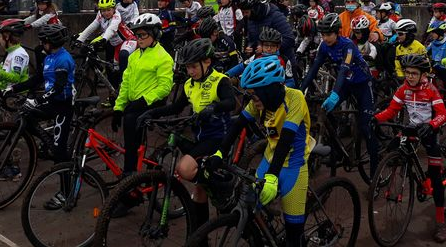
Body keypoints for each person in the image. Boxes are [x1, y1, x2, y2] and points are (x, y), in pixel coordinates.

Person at [209, 56, 311, 247]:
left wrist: (272, 176)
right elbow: (238, 125)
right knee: (249, 206)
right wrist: (219, 153)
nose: (252, 100)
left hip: (294, 164)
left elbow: (286, 140)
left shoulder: (295, 98)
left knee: (294, 235)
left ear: (269, 91)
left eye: (255, 95)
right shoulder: (260, 102)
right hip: (270, 158)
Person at [137, 38, 236, 228]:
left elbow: (230, 103)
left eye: (193, 67)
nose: (189, 71)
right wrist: (151, 112)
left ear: (207, 62)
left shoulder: (220, 80)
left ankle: (223, 187)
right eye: (187, 67)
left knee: (185, 169)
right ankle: (200, 236)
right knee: (199, 192)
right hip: (200, 137)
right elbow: (176, 107)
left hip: (218, 137)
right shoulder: (189, 84)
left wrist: (213, 108)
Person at [373, 54, 446, 243]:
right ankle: (410, 174)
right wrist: (375, 118)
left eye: (414, 73)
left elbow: (443, 114)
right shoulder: (403, 89)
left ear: (424, 74)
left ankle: (440, 223)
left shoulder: (431, 90)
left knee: (436, 178)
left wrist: (431, 125)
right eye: (407, 73)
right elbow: (391, 111)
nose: (410, 77)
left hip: (430, 131)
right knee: (393, 149)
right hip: (411, 129)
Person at [300, 13, 378, 177]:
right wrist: (300, 91)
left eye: (328, 34)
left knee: (366, 127)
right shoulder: (324, 46)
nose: (325, 38)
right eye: (323, 35)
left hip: (363, 84)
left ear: (337, 33)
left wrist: (334, 94)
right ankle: (335, 148)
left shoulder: (348, 45)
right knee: (325, 113)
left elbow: (343, 70)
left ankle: (375, 168)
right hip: (347, 85)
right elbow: (313, 71)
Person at [12, 24, 76, 187]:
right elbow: (36, 79)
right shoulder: (49, 58)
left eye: (43, 42)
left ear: (52, 42)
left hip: (63, 105)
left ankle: (66, 192)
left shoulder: (63, 59)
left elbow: (59, 87)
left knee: (60, 153)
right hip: (52, 102)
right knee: (26, 115)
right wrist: (12, 89)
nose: (41, 45)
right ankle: (48, 143)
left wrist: (38, 100)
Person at [111, 14, 174, 175]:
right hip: (134, 103)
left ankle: (130, 174)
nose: (139, 39)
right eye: (137, 35)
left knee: (131, 131)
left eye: (143, 35)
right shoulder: (134, 56)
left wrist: (144, 100)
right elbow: (125, 84)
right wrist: (118, 108)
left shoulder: (163, 58)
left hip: (151, 104)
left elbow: (165, 87)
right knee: (128, 130)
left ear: (155, 34)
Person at [239, 0, 298, 82]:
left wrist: (264, 48)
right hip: (263, 64)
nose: (244, 15)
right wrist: (251, 46)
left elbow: (290, 39)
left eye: (246, 12)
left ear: (255, 9)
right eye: (243, 12)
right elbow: (253, 39)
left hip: (284, 63)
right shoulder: (250, 20)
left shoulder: (276, 16)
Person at [77, 0, 136, 83]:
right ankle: (111, 86)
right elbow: (91, 27)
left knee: (123, 56)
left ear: (114, 9)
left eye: (109, 10)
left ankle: (124, 82)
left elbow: (111, 29)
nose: (106, 13)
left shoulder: (117, 16)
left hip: (128, 40)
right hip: (114, 42)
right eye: (103, 10)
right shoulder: (100, 16)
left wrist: (104, 39)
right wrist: (80, 39)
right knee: (110, 67)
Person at [0, 18, 30, 92]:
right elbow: (0, 68)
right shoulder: (10, 52)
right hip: (4, 91)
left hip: (14, 96)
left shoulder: (19, 54)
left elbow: (15, 78)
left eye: (0, 37)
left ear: (7, 37)